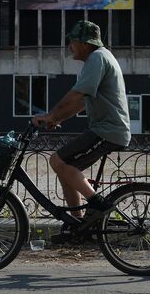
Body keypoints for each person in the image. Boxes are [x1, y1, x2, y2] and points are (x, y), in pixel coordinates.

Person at [31, 20, 131, 235]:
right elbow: (79, 103)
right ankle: (79, 226)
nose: (70, 47)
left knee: (56, 160)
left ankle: (97, 204)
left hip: (107, 130)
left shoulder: (97, 58)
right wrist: (56, 119)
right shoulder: (99, 58)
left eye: (73, 42)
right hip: (108, 129)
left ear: (85, 43)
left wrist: (50, 115)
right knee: (65, 168)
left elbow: (77, 95)